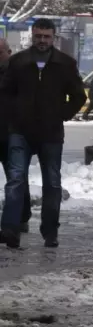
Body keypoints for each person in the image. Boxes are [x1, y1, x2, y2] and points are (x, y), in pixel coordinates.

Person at [0, 18, 87, 249]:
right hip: (20, 131)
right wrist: (14, 116)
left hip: (51, 133)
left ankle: (50, 232)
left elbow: (79, 96)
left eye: (46, 37)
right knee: (16, 180)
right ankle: (10, 230)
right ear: (32, 35)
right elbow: (5, 93)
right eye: (38, 36)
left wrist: (62, 114)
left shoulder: (65, 64)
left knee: (52, 183)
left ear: (53, 37)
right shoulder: (18, 62)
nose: (42, 41)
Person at [0, 41, 31, 235]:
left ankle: (21, 218)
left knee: (17, 178)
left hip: (12, 134)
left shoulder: (20, 74)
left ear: (9, 53)